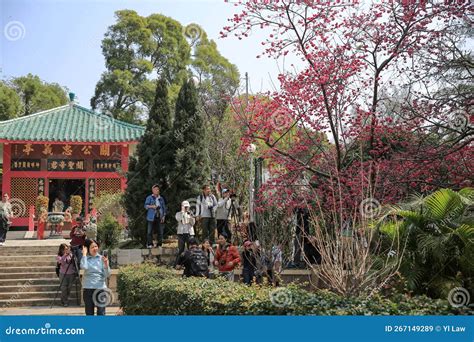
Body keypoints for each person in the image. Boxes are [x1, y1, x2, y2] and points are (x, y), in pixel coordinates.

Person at [80, 239, 111, 316]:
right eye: (92, 247)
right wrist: (84, 255)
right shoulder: (85, 259)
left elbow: (107, 275)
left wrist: (106, 265)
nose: (95, 249)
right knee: (89, 312)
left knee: (101, 312)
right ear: (87, 249)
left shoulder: (102, 258)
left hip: (100, 288)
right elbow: (84, 267)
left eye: (96, 246)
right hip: (88, 288)